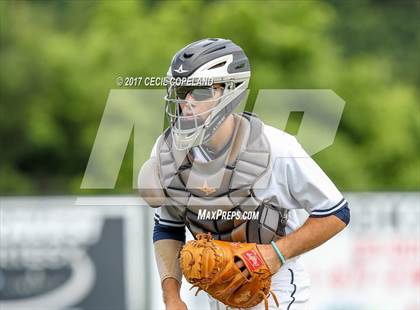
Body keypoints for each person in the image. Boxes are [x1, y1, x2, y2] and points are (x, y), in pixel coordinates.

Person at [138, 38, 350, 310]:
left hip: (276, 292)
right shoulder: (167, 150)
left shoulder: (277, 147)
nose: (186, 102)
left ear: (229, 92)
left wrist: (274, 255)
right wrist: (172, 297)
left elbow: (336, 213)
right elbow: (167, 226)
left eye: (199, 92)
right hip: (216, 293)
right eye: (181, 91)